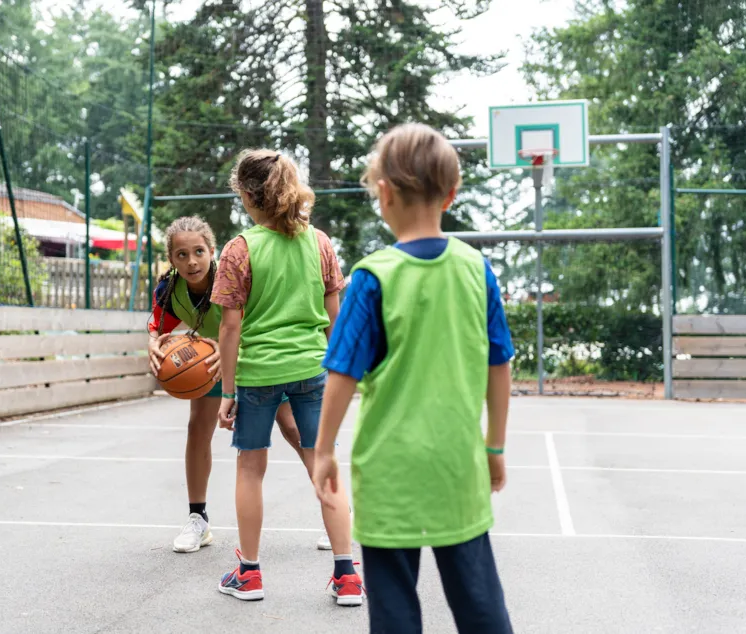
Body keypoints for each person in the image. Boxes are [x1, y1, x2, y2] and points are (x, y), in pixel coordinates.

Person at [312, 123, 515, 633]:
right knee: (480, 605)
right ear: (452, 193)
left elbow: (342, 372)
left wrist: (324, 448)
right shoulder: (477, 270)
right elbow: (500, 364)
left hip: (390, 472)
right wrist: (494, 447)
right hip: (458, 467)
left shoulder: (373, 277)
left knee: (395, 611)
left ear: (383, 192)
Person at [212, 150, 363, 605]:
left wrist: (227, 392)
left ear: (246, 194)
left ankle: (250, 574)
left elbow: (230, 327)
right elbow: (336, 318)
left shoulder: (240, 248)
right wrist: (338, 375)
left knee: (250, 468)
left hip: (259, 374)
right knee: (325, 466)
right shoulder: (319, 242)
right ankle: (347, 575)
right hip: (313, 369)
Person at [147, 216, 307, 554]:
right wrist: (154, 343)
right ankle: (198, 520)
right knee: (197, 429)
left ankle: (334, 507)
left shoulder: (233, 276)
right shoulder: (168, 290)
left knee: (292, 427)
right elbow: (157, 326)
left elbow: (257, 322)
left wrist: (228, 347)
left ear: (212, 250)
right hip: (209, 364)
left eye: (199, 251)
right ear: (171, 259)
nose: (192, 261)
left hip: (253, 355)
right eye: (182, 255)